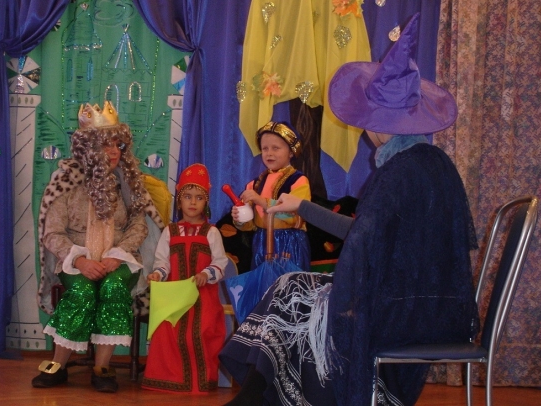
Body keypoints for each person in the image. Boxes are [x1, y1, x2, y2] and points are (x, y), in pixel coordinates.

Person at [219, 13, 479, 406]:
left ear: (378, 122)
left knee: (290, 291)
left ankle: (259, 400)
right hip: (425, 307)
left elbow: (362, 240)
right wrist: (303, 206)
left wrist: (305, 212)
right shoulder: (427, 162)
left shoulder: (400, 172)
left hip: (399, 313)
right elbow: (366, 233)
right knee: (293, 289)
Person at [32, 101, 164, 393]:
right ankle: (58, 365)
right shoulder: (67, 184)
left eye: (118, 144)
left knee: (113, 288)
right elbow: (52, 233)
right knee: (82, 292)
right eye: (106, 145)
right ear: (89, 148)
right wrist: (80, 261)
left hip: (120, 261)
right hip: (76, 262)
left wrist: (117, 256)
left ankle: (102, 368)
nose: (115, 151)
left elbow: (139, 226)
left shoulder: (129, 184)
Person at [141, 163, 228, 393]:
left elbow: (220, 263)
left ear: (206, 202)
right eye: (187, 197)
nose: (192, 202)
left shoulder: (212, 232)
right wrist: (157, 274)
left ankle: (198, 383)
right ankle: (170, 379)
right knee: (166, 331)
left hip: (203, 297)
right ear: (179, 201)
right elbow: (162, 262)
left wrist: (206, 274)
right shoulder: (170, 231)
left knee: (198, 331)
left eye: (199, 198)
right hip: (174, 297)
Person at [232, 121, 311, 272]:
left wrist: (262, 201)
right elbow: (249, 225)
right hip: (261, 242)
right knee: (263, 284)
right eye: (265, 148)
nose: (269, 153)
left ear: (291, 152)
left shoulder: (298, 181)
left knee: (288, 283)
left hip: (289, 243)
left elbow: (295, 217)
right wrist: (240, 218)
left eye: (276, 148)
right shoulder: (254, 184)